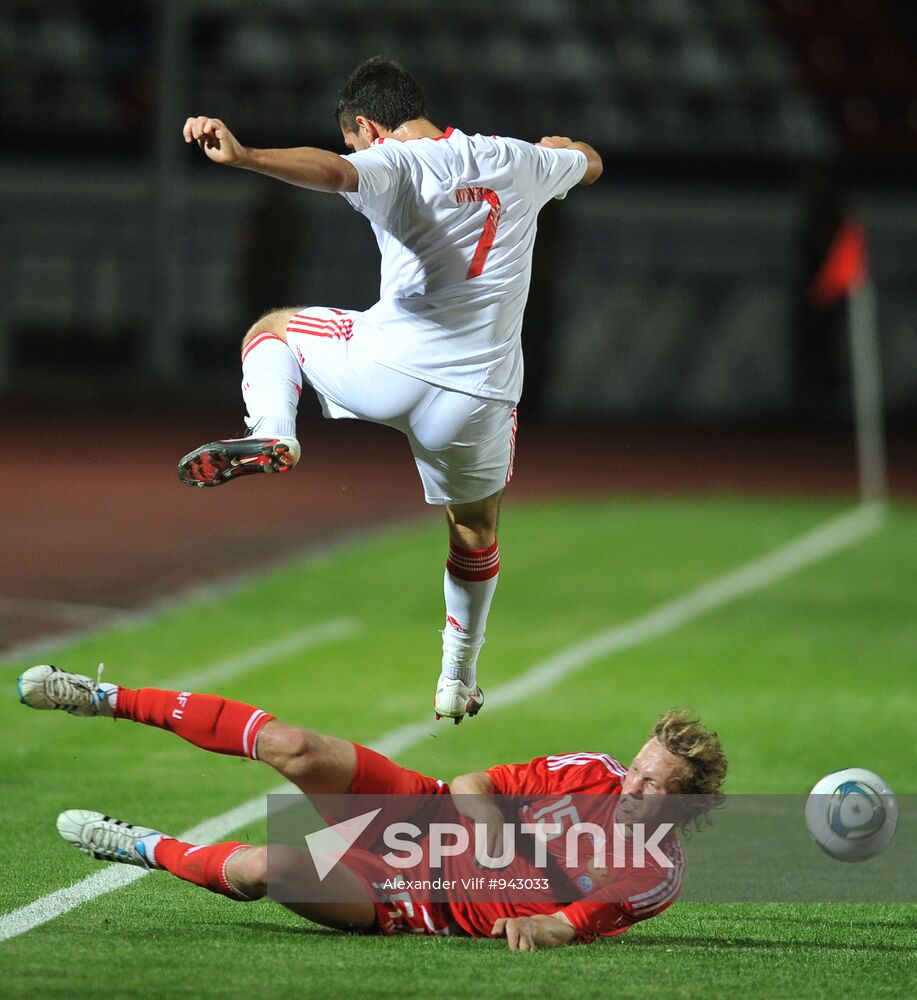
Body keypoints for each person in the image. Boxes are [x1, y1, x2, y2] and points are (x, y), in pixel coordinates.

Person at [175, 57, 603, 724]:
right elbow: (591, 163)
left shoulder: (394, 162)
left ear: (368, 126)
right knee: (474, 534)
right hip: (479, 399)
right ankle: (455, 680)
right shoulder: (517, 159)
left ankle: (272, 430)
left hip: (391, 368)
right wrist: (565, 148)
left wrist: (246, 155)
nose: (354, 151)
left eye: (352, 136)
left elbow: (336, 172)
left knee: (273, 330)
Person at [18, 662, 726, 951]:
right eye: (636, 768)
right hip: (420, 816)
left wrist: (540, 915)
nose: (630, 786)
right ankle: (103, 698)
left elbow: (556, 930)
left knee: (270, 866)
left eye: (651, 784)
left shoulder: (654, 874)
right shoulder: (589, 774)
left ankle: (141, 847)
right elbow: (474, 782)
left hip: (413, 900)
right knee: (293, 745)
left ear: (684, 807)